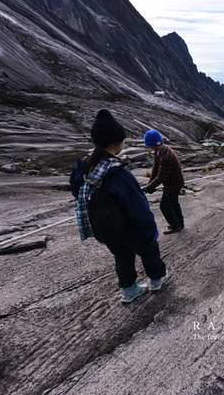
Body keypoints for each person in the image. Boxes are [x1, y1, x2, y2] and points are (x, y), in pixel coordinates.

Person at [70, 109, 167, 303]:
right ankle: (157, 280)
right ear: (116, 143)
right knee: (149, 251)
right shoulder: (118, 173)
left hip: (104, 229)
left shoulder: (84, 168)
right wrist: (150, 230)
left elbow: (76, 190)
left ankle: (129, 290)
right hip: (130, 228)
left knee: (122, 257)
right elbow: (137, 206)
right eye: (123, 141)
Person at [142, 129, 185, 234]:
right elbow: (155, 167)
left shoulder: (166, 157)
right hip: (174, 183)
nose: (149, 147)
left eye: (149, 145)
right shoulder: (159, 151)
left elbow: (161, 177)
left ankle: (175, 225)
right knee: (174, 204)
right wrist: (151, 180)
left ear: (153, 144)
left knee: (164, 206)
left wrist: (147, 188)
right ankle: (180, 223)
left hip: (173, 185)